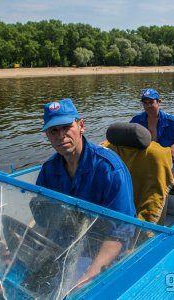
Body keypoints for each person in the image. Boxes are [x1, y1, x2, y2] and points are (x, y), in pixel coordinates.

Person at [36, 98, 136, 286]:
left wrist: (87, 277)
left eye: (66, 127)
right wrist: (23, 248)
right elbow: (44, 216)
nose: (61, 135)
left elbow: (122, 231)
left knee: (71, 289)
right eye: (53, 131)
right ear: (48, 136)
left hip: (100, 248)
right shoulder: (49, 170)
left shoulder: (110, 169)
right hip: (64, 243)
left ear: (81, 125)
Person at [130, 88, 174, 159]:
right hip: (143, 158)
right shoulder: (137, 120)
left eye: (151, 102)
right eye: (145, 103)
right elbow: (128, 134)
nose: (148, 106)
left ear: (159, 102)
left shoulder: (170, 120)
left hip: (164, 158)